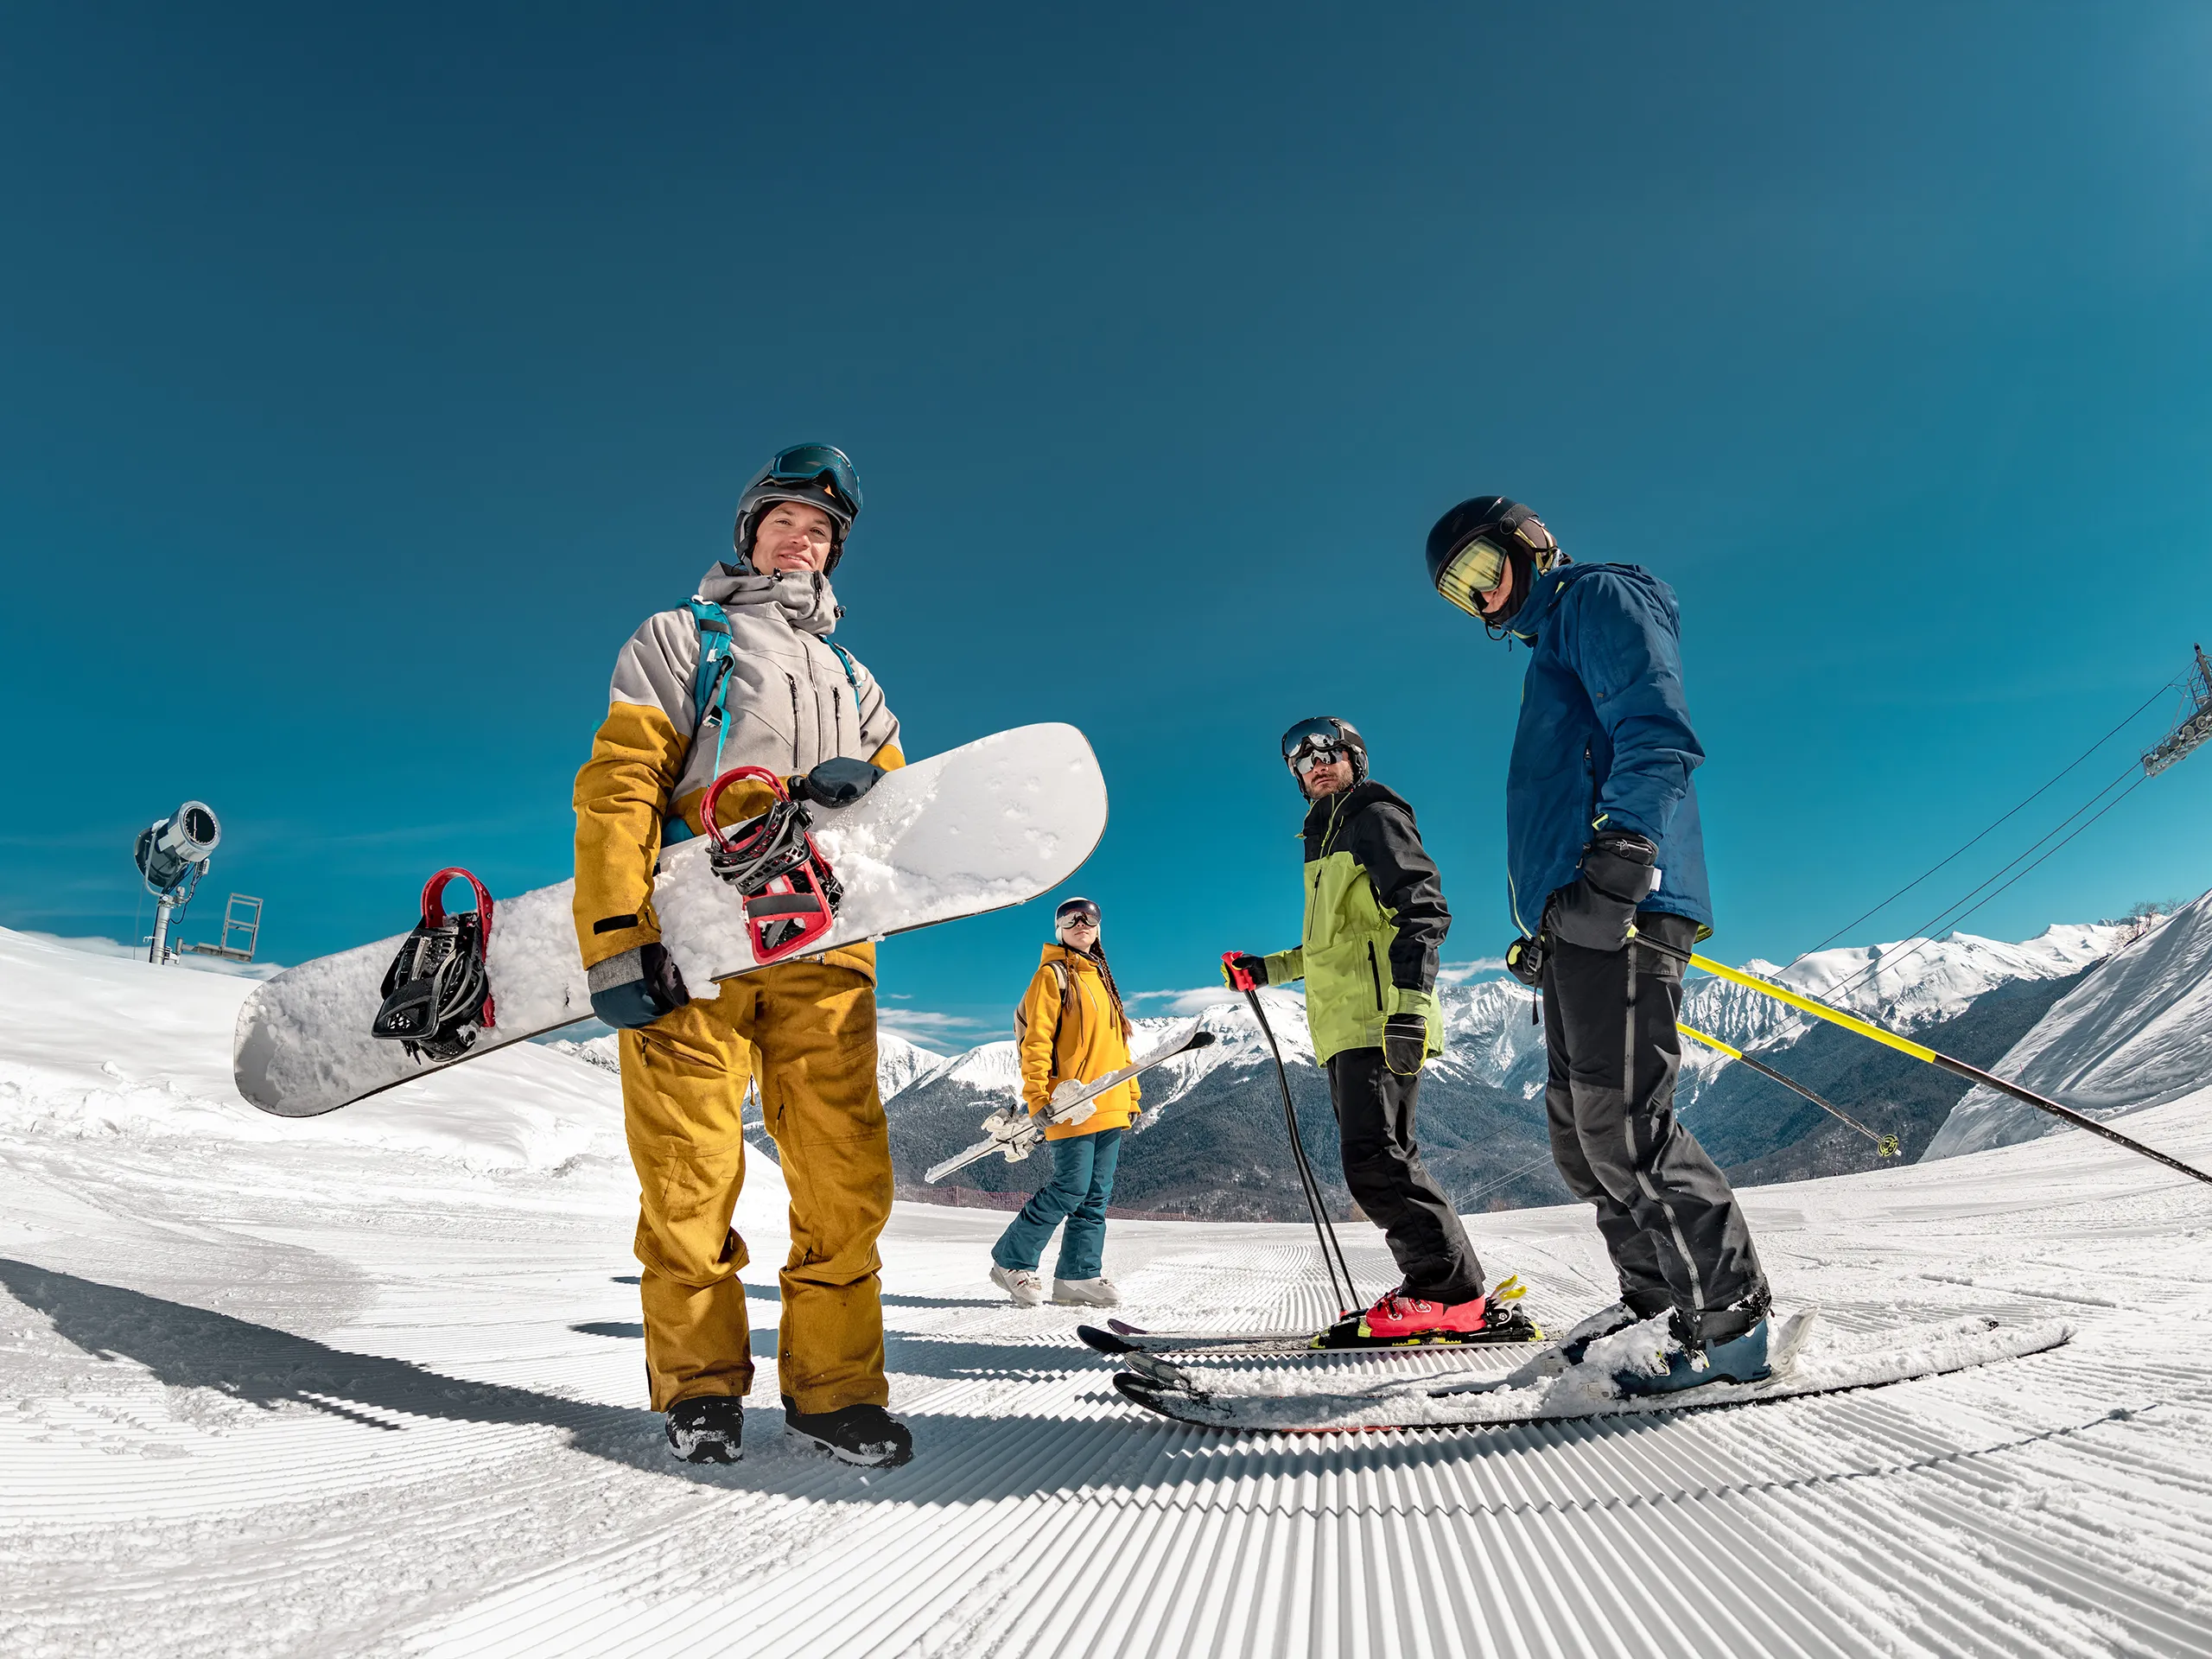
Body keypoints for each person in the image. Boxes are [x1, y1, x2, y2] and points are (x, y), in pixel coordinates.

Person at [571, 442, 914, 1467]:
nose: (800, 539)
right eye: (784, 522)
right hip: (695, 939)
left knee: (846, 1183)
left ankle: (834, 1392)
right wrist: (614, 936)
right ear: (749, 533)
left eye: (819, 531)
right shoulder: (683, 635)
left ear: (833, 555)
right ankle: (700, 1390)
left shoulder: (860, 679)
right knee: (689, 1179)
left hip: (823, 948)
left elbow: (905, 829)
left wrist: (872, 791)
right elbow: (621, 783)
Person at [1423, 495, 1772, 1393]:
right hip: (1579, 918)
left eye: (1482, 568)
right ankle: (1656, 1298)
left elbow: (1654, 731)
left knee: (1627, 1128)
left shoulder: (1597, 600)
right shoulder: (1549, 646)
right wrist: (1552, 920)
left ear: (1530, 543)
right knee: (1581, 1140)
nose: (1482, 597)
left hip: (1625, 902)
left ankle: (1728, 1325)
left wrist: (1619, 864)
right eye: (1461, 593)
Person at [1222, 719, 1537, 1348]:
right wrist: (1269, 969)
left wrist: (1410, 1007)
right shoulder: (1324, 836)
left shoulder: (1372, 814)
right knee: (1384, 1158)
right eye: (1301, 759)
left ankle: (1446, 1294)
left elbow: (1423, 908)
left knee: (1376, 1162)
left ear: (1353, 758)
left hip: (1380, 1018)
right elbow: (1330, 945)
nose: (1315, 764)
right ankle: (1455, 1292)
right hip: (1344, 1025)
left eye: (1328, 752)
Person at [989, 898, 1141, 1309]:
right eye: (1070, 918)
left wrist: (1132, 1094)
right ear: (1058, 929)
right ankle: (1011, 1261)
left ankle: (1078, 1276)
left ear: (1098, 928)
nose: (1081, 924)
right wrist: (1037, 1094)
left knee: (1096, 1195)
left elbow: (1119, 1046)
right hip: (1069, 1102)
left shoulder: (1103, 981)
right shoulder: (1052, 975)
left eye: (1090, 918)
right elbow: (1037, 1041)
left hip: (1109, 1102)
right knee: (1070, 1187)